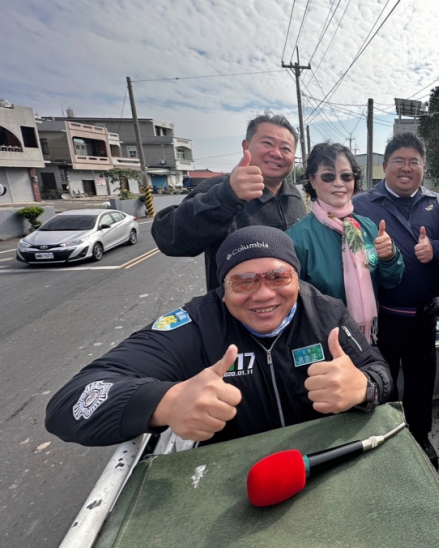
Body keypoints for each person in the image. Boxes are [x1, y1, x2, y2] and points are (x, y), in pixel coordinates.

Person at [45, 226, 392, 447]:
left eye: (278, 277)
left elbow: (379, 371)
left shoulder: (327, 312)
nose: (263, 294)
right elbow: (70, 403)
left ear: (296, 278)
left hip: (325, 461)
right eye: (244, 281)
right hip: (234, 483)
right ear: (222, 286)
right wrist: (164, 403)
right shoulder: (195, 324)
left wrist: (362, 386)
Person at [352, 132, 439, 469]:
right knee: (383, 381)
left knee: (422, 382)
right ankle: (384, 440)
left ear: (423, 167)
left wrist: (436, 249)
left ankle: (421, 437)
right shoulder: (361, 204)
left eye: (414, 162)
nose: (406, 168)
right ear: (384, 165)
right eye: (399, 161)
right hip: (383, 318)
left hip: (425, 315)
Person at [152, 113, 307, 292]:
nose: (276, 153)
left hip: (290, 307)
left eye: (286, 149)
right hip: (236, 310)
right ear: (246, 146)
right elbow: (169, 239)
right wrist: (226, 197)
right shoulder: (219, 188)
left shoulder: (294, 195)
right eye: (267, 143)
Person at [286, 143, 404, 345]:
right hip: (322, 343)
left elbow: (390, 282)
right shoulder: (296, 238)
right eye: (328, 176)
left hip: (367, 341)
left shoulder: (367, 227)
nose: (338, 183)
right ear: (313, 181)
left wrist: (389, 257)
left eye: (346, 176)